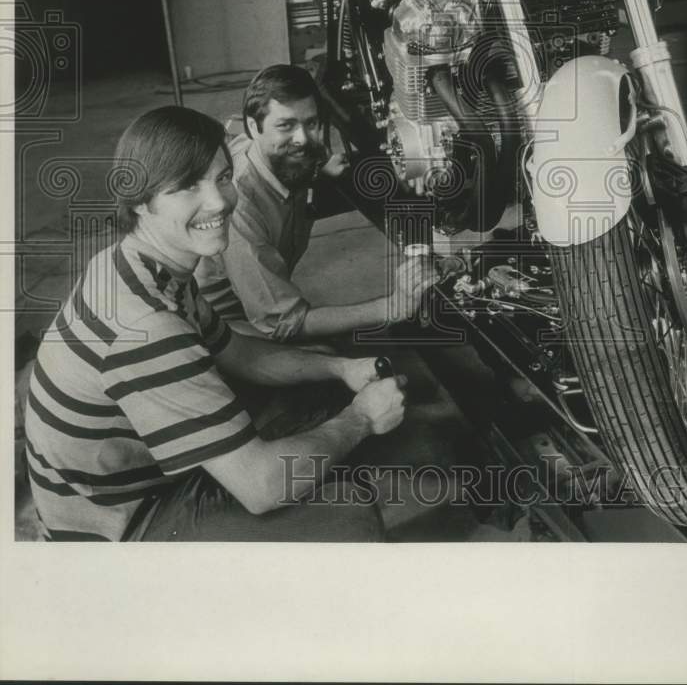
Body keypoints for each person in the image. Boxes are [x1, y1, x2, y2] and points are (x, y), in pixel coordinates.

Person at [24, 106, 409, 543]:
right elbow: (263, 486)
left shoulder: (141, 266)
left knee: (321, 385)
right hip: (122, 529)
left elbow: (237, 352)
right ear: (137, 199)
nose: (220, 201)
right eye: (187, 185)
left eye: (223, 177)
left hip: (123, 485)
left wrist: (341, 369)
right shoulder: (148, 327)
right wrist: (361, 419)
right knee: (348, 516)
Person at [195, 64, 435, 342]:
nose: (302, 139)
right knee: (334, 362)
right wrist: (394, 306)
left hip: (253, 298)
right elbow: (283, 324)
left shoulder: (279, 154)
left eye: (311, 123)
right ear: (253, 127)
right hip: (223, 323)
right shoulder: (240, 207)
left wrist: (320, 172)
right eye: (285, 125)